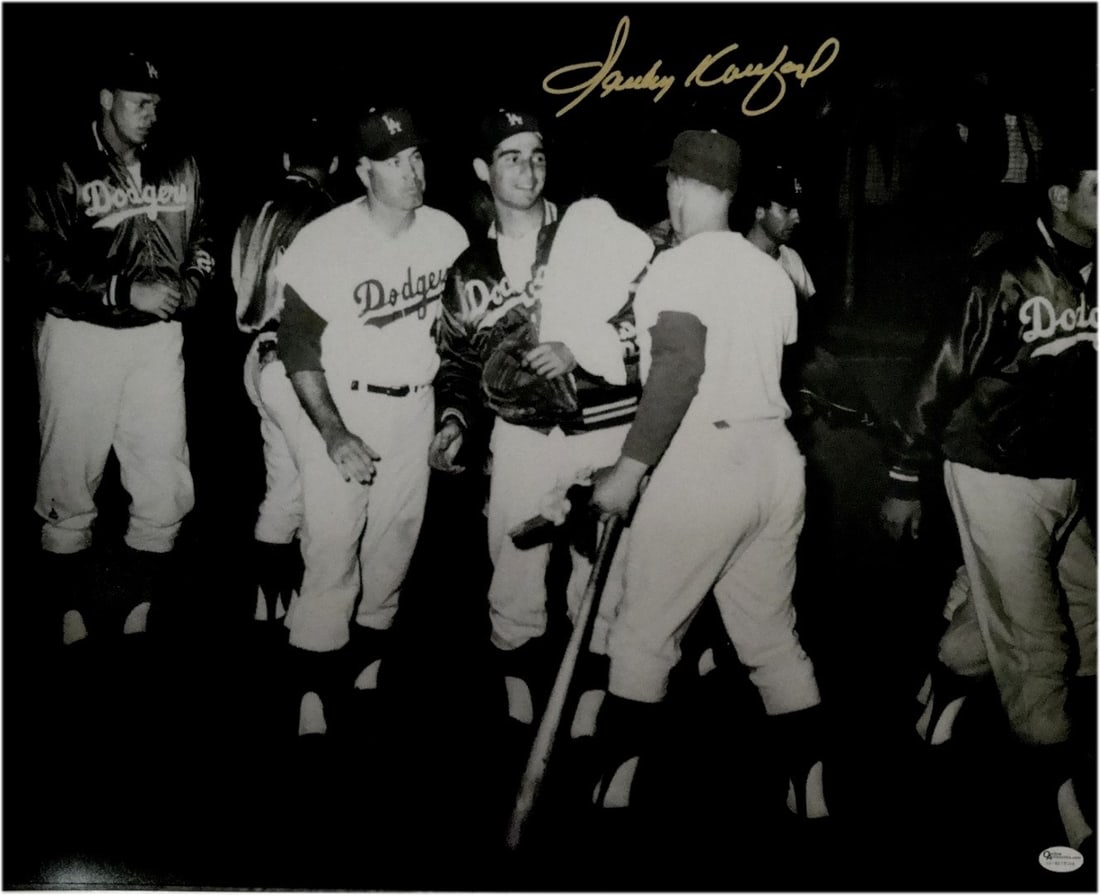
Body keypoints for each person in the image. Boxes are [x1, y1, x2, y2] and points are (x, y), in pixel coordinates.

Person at [590, 129, 830, 818]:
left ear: (684, 186)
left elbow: (678, 371)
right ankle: (811, 791)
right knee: (769, 636)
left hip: (706, 461)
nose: (667, 190)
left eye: (671, 181)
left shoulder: (680, 264)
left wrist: (628, 473)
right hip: (776, 461)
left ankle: (612, 791)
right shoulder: (772, 268)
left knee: (642, 636)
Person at [880, 142, 1096, 847]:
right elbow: (939, 377)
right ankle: (1068, 813)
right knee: (1042, 648)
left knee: (1082, 616)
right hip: (993, 471)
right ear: (1061, 197)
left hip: (1062, 476)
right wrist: (906, 478)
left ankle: (948, 675)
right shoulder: (1003, 269)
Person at [432, 108, 652, 744]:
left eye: (537, 154)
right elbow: (458, 361)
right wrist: (454, 419)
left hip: (604, 428)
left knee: (605, 574)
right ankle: (517, 692)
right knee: (514, 570)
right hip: (522, 437)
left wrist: (580, 347)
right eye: (511, 156)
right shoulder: (470, 269)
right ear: (483, 169)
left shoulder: (592, 230)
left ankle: (590, 705)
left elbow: (651, 320)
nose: (528, 169)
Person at [276, 106, 469, 736]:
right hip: (343, 404)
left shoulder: (447, 234)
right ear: (364, 171)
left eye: (417, 157)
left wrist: (453, 416)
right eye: (395, 162)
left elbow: (465, 340)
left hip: (413, 405)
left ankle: (364, 668)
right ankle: (309, 690)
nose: (414, 172)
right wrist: (333, 433)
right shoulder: (326, 239)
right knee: (332, 547)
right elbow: (298, 346)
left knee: (394, 548)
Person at [25, 51, 214, 646]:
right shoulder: (63, 165)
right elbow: (33, 260)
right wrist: (118, 287)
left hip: (158, 341)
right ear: (106, 99)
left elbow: (204, 238)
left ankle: (141, 600)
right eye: (139, 102)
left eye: (157, 103)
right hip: (82, 336)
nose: (151, 114)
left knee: (163, 474)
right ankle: (69, 606)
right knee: (68, 478)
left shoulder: (180, 163)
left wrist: (191, 287)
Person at [230, 114, 339, 627]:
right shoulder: (331, 216)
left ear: (286, 160)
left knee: (284, 488)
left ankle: (266, 604)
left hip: (256, 356)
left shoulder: (253, 208)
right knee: (321, 493)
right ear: (335, 164)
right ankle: (310, 612)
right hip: (297, 366)